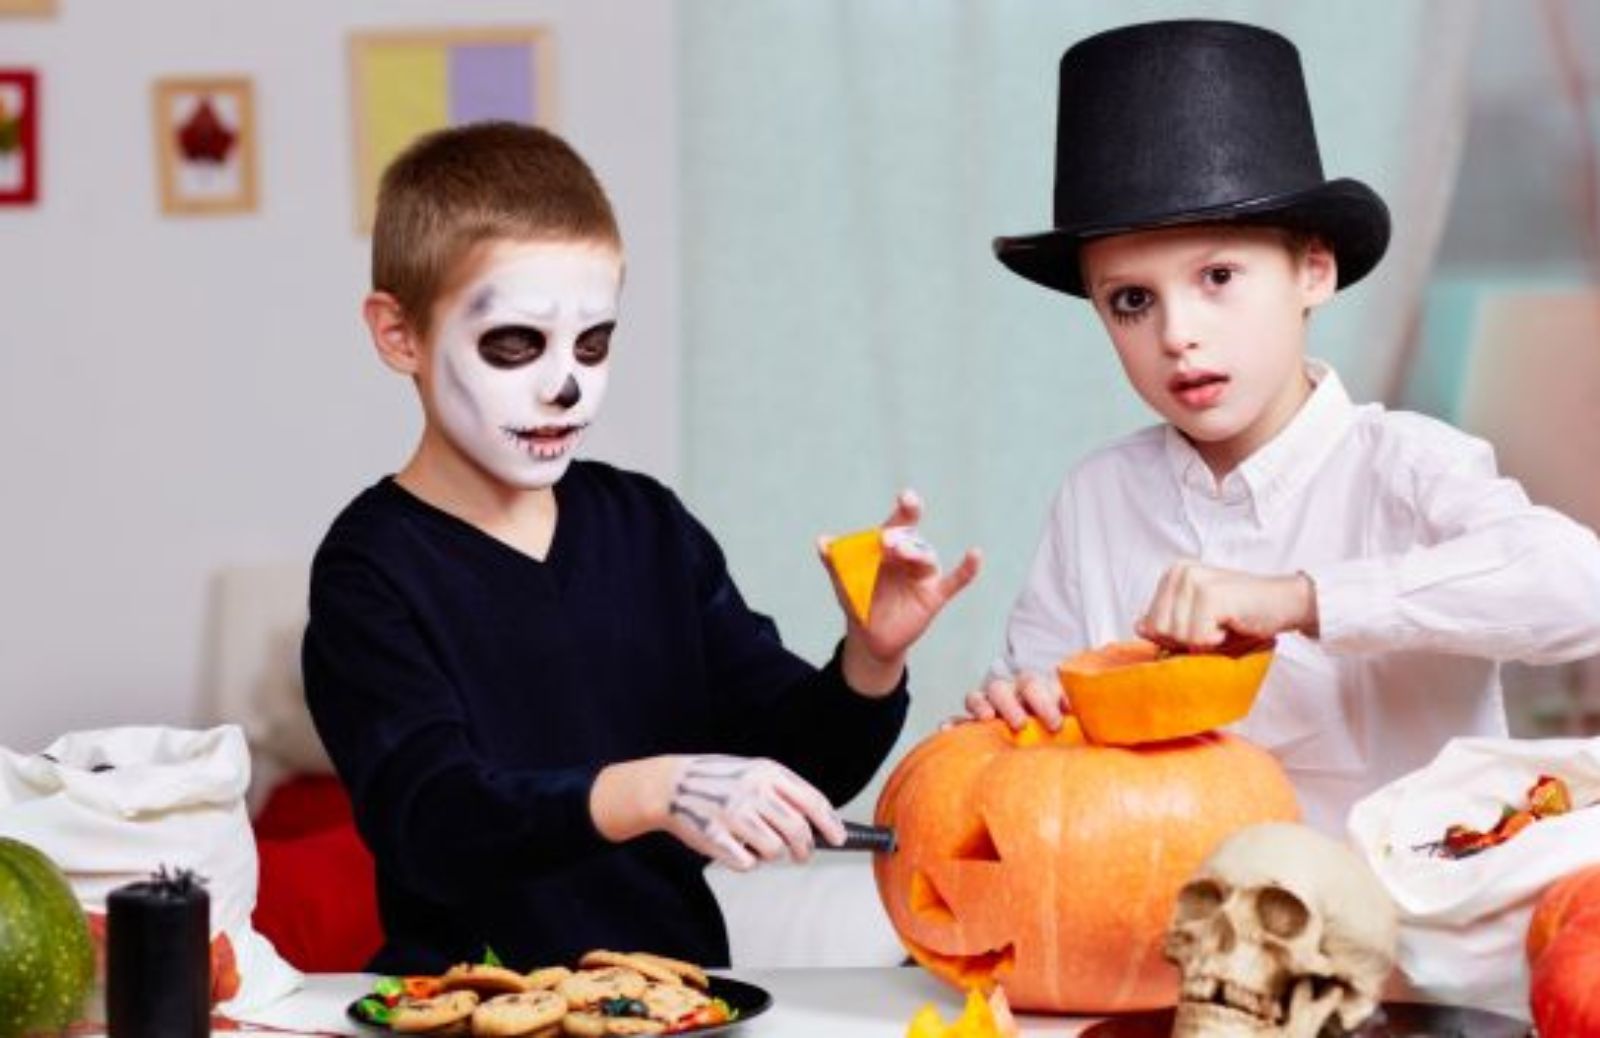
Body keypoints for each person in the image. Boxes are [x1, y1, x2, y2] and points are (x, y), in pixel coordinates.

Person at [301, 120, 980, 974]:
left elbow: (796, 767)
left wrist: (870, 662)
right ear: (400, 334)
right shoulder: (371, 570)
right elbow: (433, 821)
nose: (566, 384)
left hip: (674, 1000)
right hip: (466, 1005)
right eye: (515, 344)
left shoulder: (649, 526)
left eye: (594, 343)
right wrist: (653, 791)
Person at [967, 19, 1600, 835]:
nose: (1176, 334)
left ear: (1313, 269)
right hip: (1158, 936)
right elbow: (1028, 745)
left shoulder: (1405, 466)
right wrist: (1015, 716)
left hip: (1398, 940)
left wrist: (1301, 600)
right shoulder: (1098, 496)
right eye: (1131, 300)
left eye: (1219, 276)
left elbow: (1579, 587)